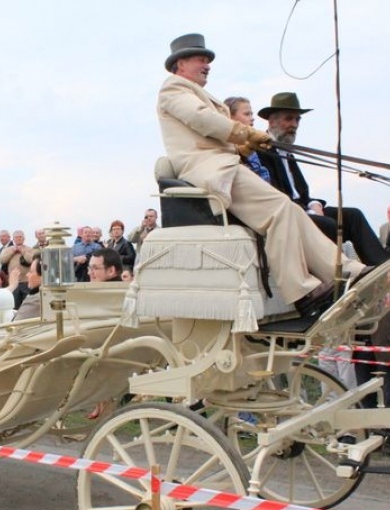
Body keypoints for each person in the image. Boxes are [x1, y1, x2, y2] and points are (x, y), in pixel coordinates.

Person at [157, 34, 369, 314]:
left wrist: (244, 146)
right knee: (279, 210)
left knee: (291, 210)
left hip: (223, 164)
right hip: (211, 169)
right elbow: (203, 120)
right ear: (180, 64)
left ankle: (346, 270)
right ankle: (302, 290)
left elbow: (212, 133)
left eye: (208, 59)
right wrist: (246, 133)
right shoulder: (173, 89)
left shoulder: (195, 92)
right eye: (200, 58)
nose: (207, 63)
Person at [255, 92, 389, 267]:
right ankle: (338, 275)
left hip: (304, 210)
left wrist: (313, 204)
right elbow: (276, 194)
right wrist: (307, 210)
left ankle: (383, 266)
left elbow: (301, 193)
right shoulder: (262, 151)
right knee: (329, 224)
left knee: (352, 216)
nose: (294, 125)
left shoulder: (288, 152)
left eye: (297, 120)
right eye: (289, 119)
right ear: (272, 121)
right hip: (286, 215)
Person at [224, 96, 270, 182]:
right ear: (229, 116)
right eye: (247, 114)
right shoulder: (222, 147)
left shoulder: (254, 149)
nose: (252, 118)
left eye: (251, 114)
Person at [0, 230, 35, 308]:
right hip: (14, 282)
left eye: (20, 237)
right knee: (15, 305)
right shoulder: (8, 249)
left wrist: (22, 251)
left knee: (27, 305)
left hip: (26, 281)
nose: (18, 239)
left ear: (24, 238)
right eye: (16, 237)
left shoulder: (29, 249)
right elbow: (2, 260)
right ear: (13, 239)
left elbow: (31, 260)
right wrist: (12, 252)